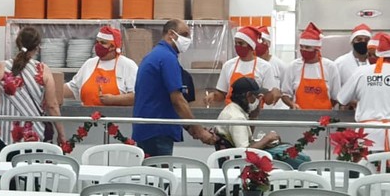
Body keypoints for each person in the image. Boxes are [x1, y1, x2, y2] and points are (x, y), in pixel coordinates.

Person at [132, 20, 218, 157]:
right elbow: (177, 100)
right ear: (171, 34)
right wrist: (200, 131)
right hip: (158, 130)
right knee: (160, 170)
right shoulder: (167, 58)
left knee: (150, 169)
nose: (187, 40)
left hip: (148, 128)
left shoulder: (154, 55)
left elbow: (161, 98)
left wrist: (190, 127)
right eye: (184, 34)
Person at [0, 27, 66, 155]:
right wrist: (61, 134)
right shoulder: (43, 70)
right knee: (35, 167)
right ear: (37, 47)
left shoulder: (1, 68)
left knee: (10, 166)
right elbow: (52, 105)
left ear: (18, 44)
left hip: (7, 134)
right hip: (36, 133)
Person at [64, 26, 138, 107]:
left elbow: (136, 96)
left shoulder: (128, 65)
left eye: (103, 43)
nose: (98, 45)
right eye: (97, 42)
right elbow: (73, 88)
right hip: (88, 114)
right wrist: (55, 89)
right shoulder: (89, 63)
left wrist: (114, 99)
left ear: (113, 46)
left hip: (115, 114)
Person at [210, 26, 280, 106]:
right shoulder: (228, 65)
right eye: (236, 43)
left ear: (250, 46)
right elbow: (222, 94)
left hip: (254, 112)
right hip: (232, 111)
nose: (237, 46)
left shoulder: (265, 67)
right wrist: (214, 96)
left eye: (241, 43)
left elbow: (268, 101)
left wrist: (273, 93)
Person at [215, 77, 284, 153]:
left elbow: (246, 140)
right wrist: (267, 139)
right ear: (248, 95)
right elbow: (244, 151)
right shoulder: (237, 118)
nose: (258, 100)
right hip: (235, 159)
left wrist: (253, 116)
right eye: (257, 97)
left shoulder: (232, 109)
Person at [282, 22, 340, 110]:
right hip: (299, 115)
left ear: (317, 49)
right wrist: (292, 104)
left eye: (307, 47)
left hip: (324, 117)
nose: (303, 50)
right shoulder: (293, 66)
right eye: (301, 47)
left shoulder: (330, 67)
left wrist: (324, 109)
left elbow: (335, 97)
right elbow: (285, 94)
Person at [254, 25, 289, 110]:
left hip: (276, 110)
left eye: (262, 40)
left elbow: (286, 92)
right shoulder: (251, 64)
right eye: (257, 41)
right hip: (255, 110)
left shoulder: (281, 66)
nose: (259, 44)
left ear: (269, 43)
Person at [333, 23, 373, 89]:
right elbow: (334, 89)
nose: (363, 42)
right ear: (352, 41)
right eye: (359, 39)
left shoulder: (376, 63)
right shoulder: (340, 63)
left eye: (366, 40)